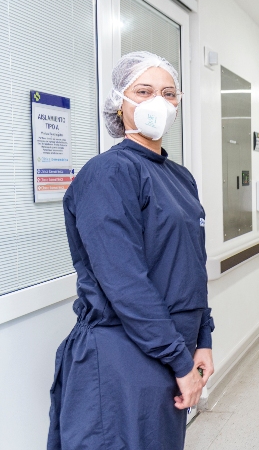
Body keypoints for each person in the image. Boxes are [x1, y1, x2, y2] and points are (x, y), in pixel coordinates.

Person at [48, 51, 214, 449]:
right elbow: (125, 282)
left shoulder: (179, 177)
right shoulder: (109, 173)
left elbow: (190, 264)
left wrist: (202, 339)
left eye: (168, 93)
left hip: (169, 350)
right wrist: (179, 360)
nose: (158, 101)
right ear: (118, 103)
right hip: (123, 355)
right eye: (144, 91)